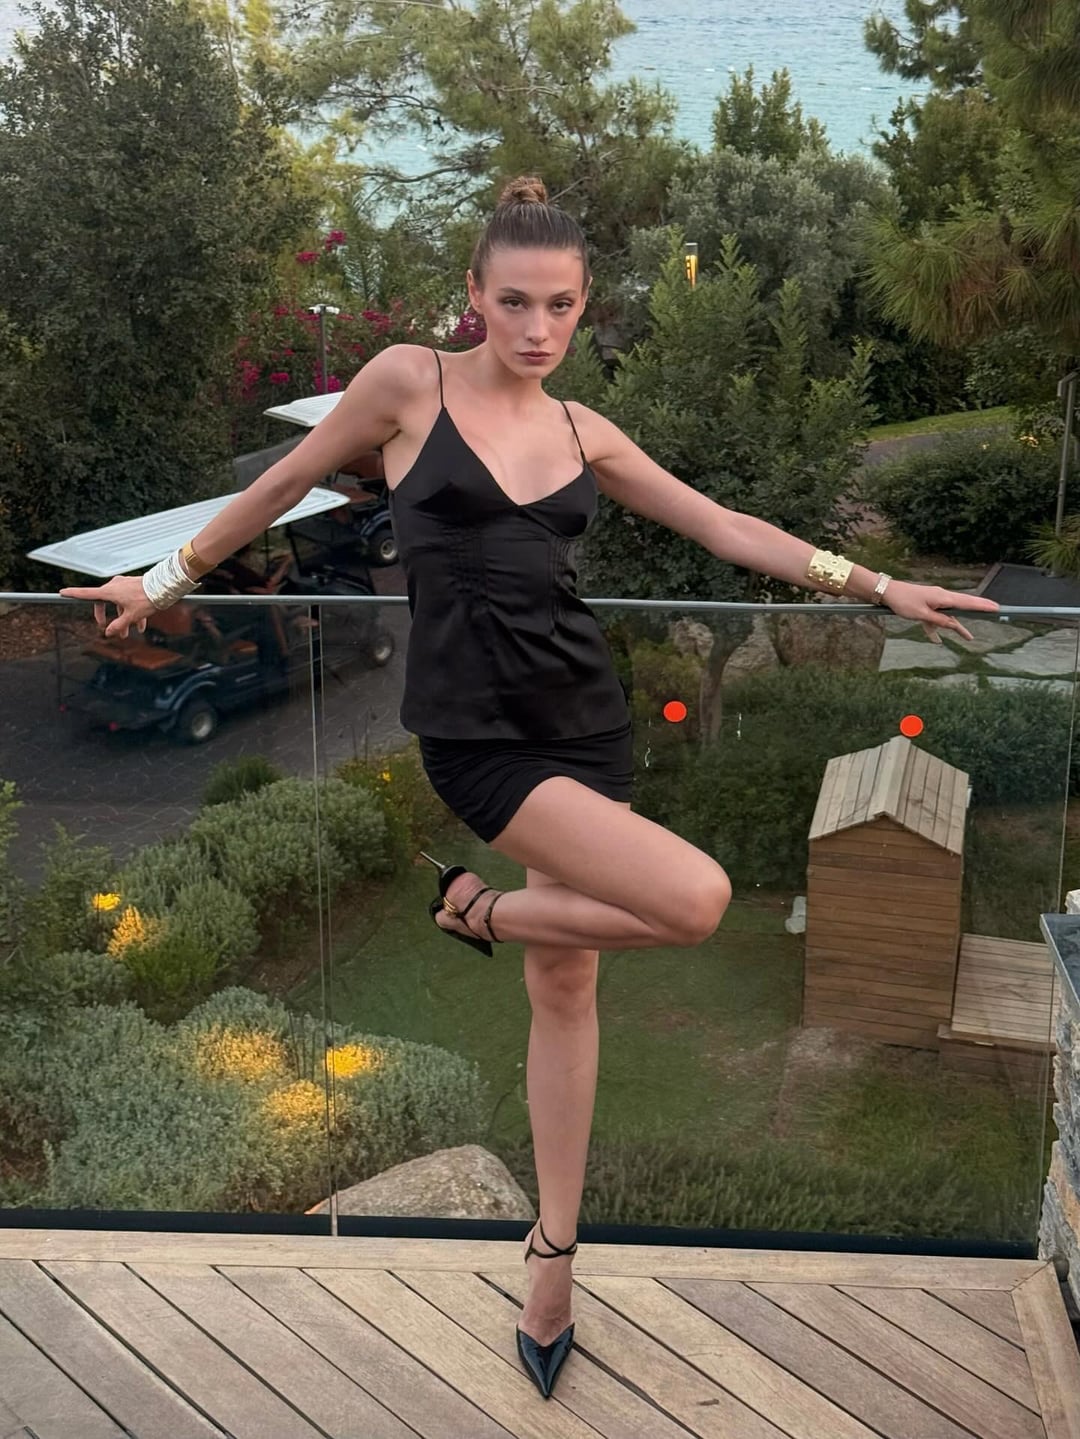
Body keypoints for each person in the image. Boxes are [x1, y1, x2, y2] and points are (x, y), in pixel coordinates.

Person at [62, 174, 1000, 1401]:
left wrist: (879, 587)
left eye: (560, 305)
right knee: (698, 899)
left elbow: (724, 526)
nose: (538, 326)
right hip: (476, 739)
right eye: (514, 301)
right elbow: (284, 485)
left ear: (583, 305)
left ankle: (552, 1249)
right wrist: (158, 580)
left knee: (566, 985)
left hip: (584, 717)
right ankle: (483, 911)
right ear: (474, 294)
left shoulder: (583, 431)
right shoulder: (407, 383)